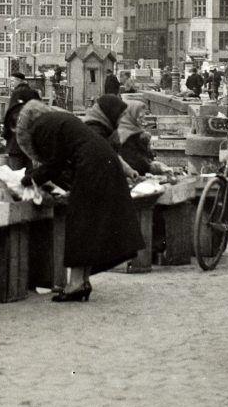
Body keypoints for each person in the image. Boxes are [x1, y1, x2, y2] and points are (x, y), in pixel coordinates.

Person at [16, 101, 145, 301]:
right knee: (87, 223)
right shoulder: (59, 120)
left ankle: (76, 284)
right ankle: (82, 281)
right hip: (102, 162)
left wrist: (30, 179)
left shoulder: (41, 129)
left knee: (79, 224)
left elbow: (55, 163)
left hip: (91, 166)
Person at [117, 100, 170, 176]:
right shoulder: (125, 135)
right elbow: (133, 161)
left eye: (143, 117)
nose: (143, 121)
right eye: (140, 117)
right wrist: (151, 167)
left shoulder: (134, 130)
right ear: (132, 116)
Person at [1, 83, 41, 170]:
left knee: (15, 175)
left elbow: (6, 130)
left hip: (14, 148)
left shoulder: (14, 110)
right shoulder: (34, 110)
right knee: (30, 174)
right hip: (31, 149)